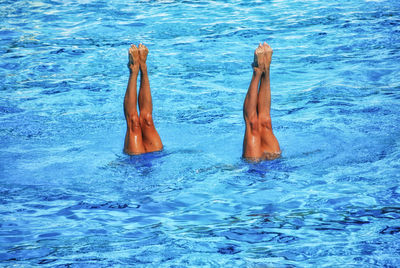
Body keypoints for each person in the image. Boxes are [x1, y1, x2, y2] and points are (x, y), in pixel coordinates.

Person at [242, 42, 281, 161]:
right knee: (265, 121)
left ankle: (258, 70)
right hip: (274, 161)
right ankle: (266, 68)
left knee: (252, 124)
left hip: (252, 167)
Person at [123, 44, 163, 155]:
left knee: (134, 122)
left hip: (134, 162)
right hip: (156, 155)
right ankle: (143, 67)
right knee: (147, 119)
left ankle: (134, 69)